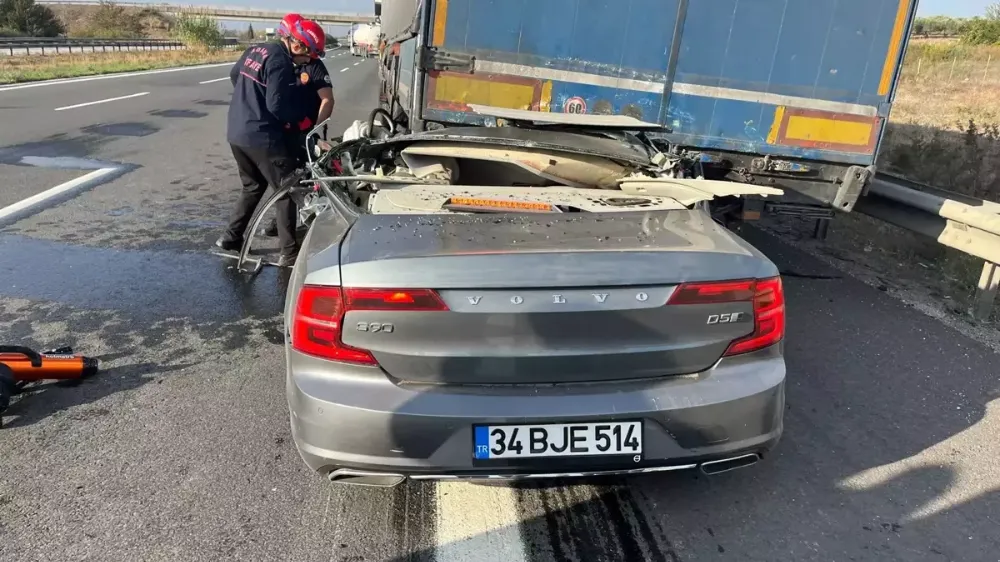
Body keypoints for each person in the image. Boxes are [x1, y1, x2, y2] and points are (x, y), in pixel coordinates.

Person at [216, 13, 324, 267]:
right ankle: (289, 253)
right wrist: (300, 121)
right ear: (298, 46)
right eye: (309, 55)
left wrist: (250, 99)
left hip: (237, 132)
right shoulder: (281, 61)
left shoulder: (256, 50)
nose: (309, 61)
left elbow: (235, 75)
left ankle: (230, 237)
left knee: (253, 186)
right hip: (261, 136)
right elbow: (276, 105)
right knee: (286, 190)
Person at [261, 18, 334, 238]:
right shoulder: (281, 62)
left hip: (303, 131)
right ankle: (282, 222)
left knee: (302, 178)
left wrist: (314, 131)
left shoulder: (314, 66)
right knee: (283, 179)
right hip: (281, 130)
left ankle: (309, 221)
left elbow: (327, 99)